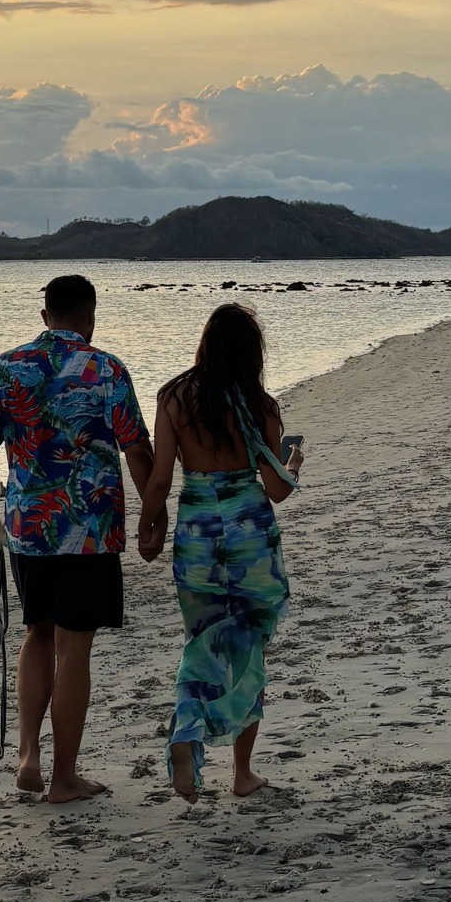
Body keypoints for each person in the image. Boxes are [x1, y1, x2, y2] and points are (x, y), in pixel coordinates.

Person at [0, 272, 151, 807]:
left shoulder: (7, 367)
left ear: (44, 317)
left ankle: (28, 756)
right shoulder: (107, 369)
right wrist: (154, 513)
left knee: (37, 635)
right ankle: (64, 777)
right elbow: (138, 449)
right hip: (91, 531)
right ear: (90, 317)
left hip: (28, 530)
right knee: (75, 649)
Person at [137, 301, 301, 804]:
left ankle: (188, 731)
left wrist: (148, 526)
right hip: (250, 531)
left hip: (199, 529)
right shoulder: (260, 404)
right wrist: (294, 459)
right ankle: (241, 772)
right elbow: (276, 488)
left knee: (202, 640)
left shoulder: (174, 398)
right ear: (253, 352)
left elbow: (160, 477)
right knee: (247, 647)